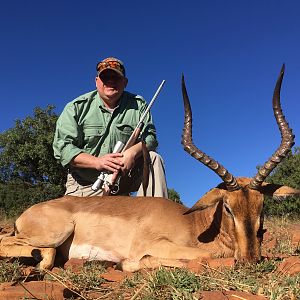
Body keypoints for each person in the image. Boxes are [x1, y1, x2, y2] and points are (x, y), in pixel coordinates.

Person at [53, 57, 168, 197]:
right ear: (96, 82)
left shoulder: (138, 104)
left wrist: (131, 153)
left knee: (153, 158)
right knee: (71, 218)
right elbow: (63, 148)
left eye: (116, 77)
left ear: (125, 82)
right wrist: (98, 162)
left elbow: (150, 138)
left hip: (124, 179)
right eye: (105, 77)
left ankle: (154, 214)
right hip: (86, 184)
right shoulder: (76, 107)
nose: (110, 81)